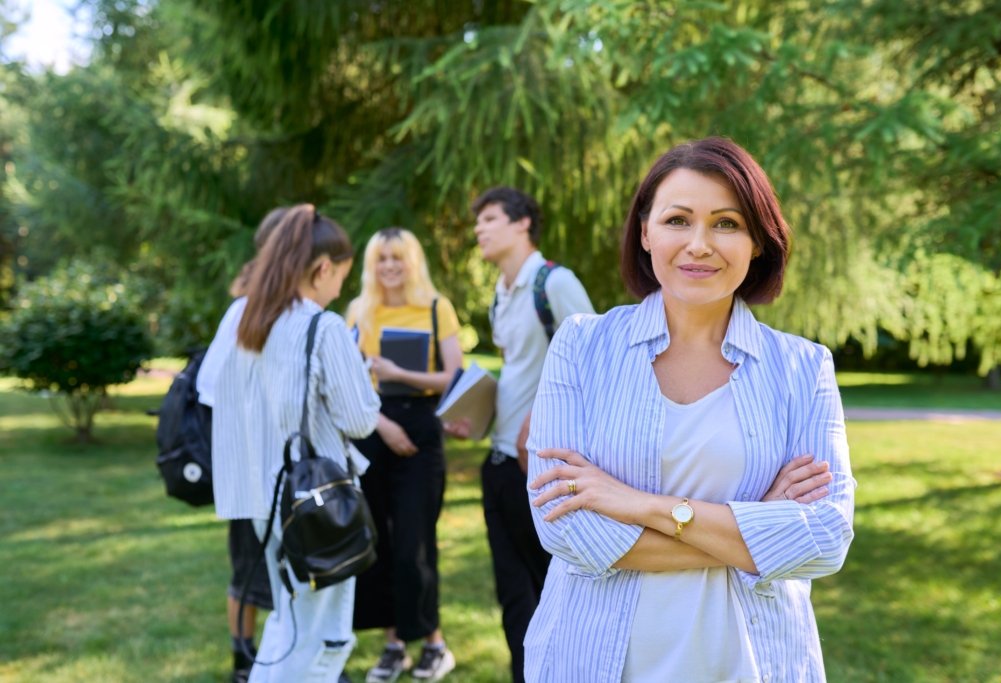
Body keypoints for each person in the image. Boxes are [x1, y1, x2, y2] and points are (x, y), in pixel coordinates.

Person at [523, 138, 855, 682]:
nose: (699, 244)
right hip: (593, 659)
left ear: (757, 242)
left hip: (753, 664)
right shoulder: (580, 346)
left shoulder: (803, 368)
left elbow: (823, 539)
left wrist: (637, 504)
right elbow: (565, 530)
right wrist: (758, 529)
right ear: (645, 232)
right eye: (678, 220)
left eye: (727, 223)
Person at [216, 204, 381, 683]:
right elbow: (360, 420)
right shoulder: (321, 326)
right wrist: (363, 379)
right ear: (323, 268)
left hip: (265, 495)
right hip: (318, 502)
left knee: (288, 623)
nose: (339, 290)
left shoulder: (250, 319)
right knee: (322, 639)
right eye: (340, 277)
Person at [448, 187, 594, 683]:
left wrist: (542, 417)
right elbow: (516, 372)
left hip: (541, 468)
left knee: (554, 593)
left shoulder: (554, 283)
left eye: (489, 218)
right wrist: (475, 417)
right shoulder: (501, 292)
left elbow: (595, 365)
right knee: (514, 598)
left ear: (522, 223)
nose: (478, 229)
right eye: (478, 221)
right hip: (498, 463)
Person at [345, 227, 462, 682]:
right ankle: (394, 646)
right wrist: (381, 423)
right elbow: (348, 383)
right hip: (372, 427)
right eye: (381, 258)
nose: (389, 266)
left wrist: (399, 372)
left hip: (420, 429)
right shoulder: (358, 311)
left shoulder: (436, 307)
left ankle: (433, 644)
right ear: (371, 265)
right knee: (379, 541)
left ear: (412, 262)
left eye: (398, 257)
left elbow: (453, 377)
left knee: (415, 541)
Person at [198, 206, 288, 683]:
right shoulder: (245, 311)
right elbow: (211, 388)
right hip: (252, 467)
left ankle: (284, 661)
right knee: (248, 569)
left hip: (287, 468)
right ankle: (243, 661)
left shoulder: (296, 312)